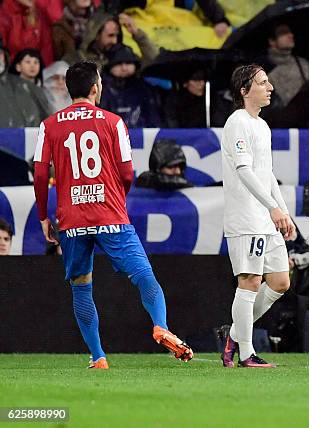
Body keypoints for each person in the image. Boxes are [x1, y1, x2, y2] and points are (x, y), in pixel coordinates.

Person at [32, 60, 193, 369]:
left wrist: (43, 215)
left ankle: (98, 356)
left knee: (82, 285)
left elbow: (40, 174)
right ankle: (160, 325)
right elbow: (127, 172)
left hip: (71, 219)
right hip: (110, 215)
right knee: (144, 276)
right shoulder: (113, 121)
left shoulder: (49, 125)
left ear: (68, 90)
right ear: (96, 88)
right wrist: (116, 198)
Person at [218, 64, 294, 368]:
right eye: (262, 83)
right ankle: (246, 354)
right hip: (246, 217)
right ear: (244, 90)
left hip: (266, 216)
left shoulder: (262, 125)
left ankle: (236, 333)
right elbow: (244, 171)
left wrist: (283, 211)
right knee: (249, 281)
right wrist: (270, 207)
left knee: (279, 281)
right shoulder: (237, 122)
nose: (270, 87)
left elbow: (267, 173)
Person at [63, 11, 158, 69]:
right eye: (110, 35)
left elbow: (154, 61)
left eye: (117, 36)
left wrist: (136, 33)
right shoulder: (75, 60)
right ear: (96, 35)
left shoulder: (123, 55)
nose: (115, 41)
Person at [99, 43, 162, 128]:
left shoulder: (144, 88)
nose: (124, 68)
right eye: (118, 63)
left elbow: (153, 119)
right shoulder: (101, 89)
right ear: (109, 67)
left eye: (128, 63)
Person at [261, 23, 309, 107]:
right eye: (283, 33)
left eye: (290, 32)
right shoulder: (263, 69)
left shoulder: (304, 65)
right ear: (272, 41)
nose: (290, 35)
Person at [0, 45, 52, 127]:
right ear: (18, 66)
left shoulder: (30, 87)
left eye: (0, 53)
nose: (32, 66)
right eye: (28, 62)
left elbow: (47, 121)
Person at [0, 0, 54, 66]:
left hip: (34, 69)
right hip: (10, 68)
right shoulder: (4, 14)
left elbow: (46, 49)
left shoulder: (39, 13)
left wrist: (47, 73)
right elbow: (11, 47)